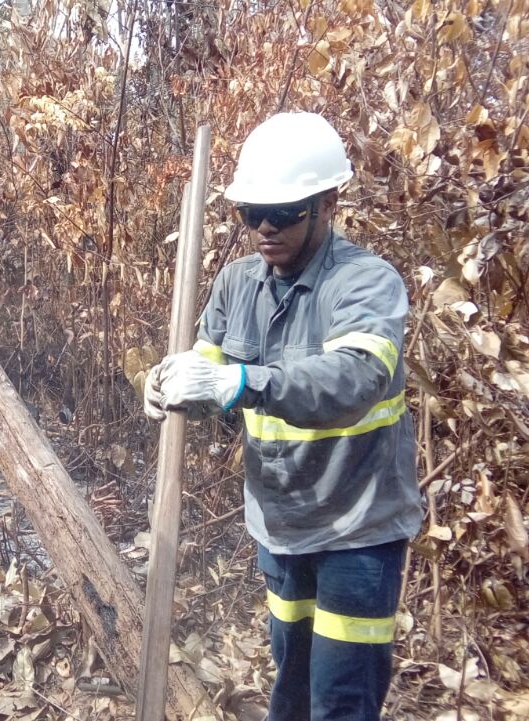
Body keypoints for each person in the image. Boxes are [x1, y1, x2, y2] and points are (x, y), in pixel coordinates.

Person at [144, 112, 423, 721]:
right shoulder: (237, 284)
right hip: (281, 526)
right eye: (251, 214)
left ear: (327, 203)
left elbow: (355, 377)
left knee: (340, 699)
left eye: (285, 213)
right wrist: (172, 381)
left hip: (359, 529)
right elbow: (207, 363)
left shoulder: (365, 283)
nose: (266, 228)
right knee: (291, 686)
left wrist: (242, 382)